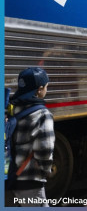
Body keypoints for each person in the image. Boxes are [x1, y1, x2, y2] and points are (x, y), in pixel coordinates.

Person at [5, 67, 55, 207]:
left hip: (10, 176)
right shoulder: (43, 115)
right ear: (39, 90)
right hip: (29, 180)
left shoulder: (11, 108)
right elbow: (44, 149)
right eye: (46, 87)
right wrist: (46, 170)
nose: (46, 90)